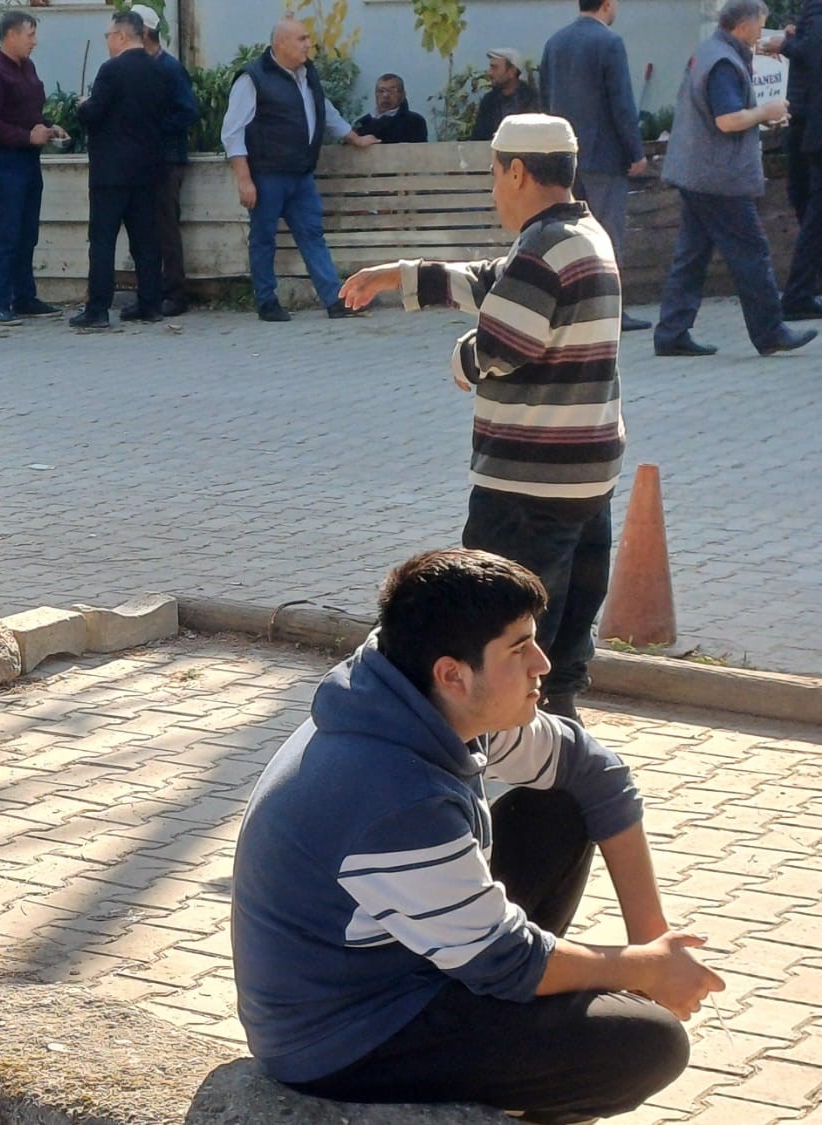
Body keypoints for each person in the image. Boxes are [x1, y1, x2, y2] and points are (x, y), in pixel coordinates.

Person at [232, 547, 721, 1122]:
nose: (543, 663)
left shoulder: (414, 694)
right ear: (453, 674)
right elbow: (506, 959)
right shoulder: (393, 797)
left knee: (560, 803)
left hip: (412, 959)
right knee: (648, 1045)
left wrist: (653, 939)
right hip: (345, 1036)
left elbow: (595, 773)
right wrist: (641, 968)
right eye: (519, 650)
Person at [339, 115, 622, 721]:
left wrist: (463, 359)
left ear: (518, 171)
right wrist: (399, 275)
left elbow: (503, 342)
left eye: (495, 174)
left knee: (497, 631)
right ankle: (560, 753)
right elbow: (495, 279)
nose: (494, 189)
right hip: (583, 480)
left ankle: (505, 763)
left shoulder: (544, 250)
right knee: (562, 643)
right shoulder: (581, 234)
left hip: (528, 485)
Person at [653, 0, 818, 358]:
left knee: (692, 253)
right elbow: (726, 120)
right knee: (752, 252)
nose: (762, 32)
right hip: (718, 176)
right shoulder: (724, 62)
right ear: (743, 24)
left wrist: (759, 117)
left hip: (697, 170)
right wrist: (766, 111)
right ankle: (769, 331)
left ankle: (671, 331)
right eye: (761, 24)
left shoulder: (710, 51)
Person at [222, 16, 380, 323]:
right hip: (267, 174)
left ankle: (336, 300)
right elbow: (232, 132)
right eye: (302, 39)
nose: (309, 44)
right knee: (264, 238)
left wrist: (353, 137)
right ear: (280, 43)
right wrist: (244, 179)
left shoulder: (307, 74)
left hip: (301, 173)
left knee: (312, 234)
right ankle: (267, 302)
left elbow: (325, 110)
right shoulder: (252, 78)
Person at [540, 0, 653, 331]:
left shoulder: (554, 43)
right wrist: (636, 152)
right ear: (607, 4)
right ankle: (611, 313)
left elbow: (545, 99)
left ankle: (571, 312)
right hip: (605, 158)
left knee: (569, 237)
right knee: (607, 236)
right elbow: (621, 102)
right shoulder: (609, 43)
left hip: (565, 160)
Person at [69, 10, 168, 330]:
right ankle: (150, 303)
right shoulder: (158, 70)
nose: (108, 41)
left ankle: (98, 309)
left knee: (102, 241)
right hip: (147, 170)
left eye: (109, 36)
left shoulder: (111, 70)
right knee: (146, 240)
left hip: (111, 173)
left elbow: (95, 114)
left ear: (122, 36)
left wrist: (83, 105)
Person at [0, 10, 68, 326]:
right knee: (8, 231)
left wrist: (47, 126)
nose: (35, 42)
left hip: (29, 160)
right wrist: (26, 136)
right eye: (30, 34)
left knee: (27, 231)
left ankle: (24, 297)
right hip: (6, 160)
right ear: (11, 35)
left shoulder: (27, 67)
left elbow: (28, 111)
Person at [131, 3, 201, 316]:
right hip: (147, 158)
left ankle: (175, 292)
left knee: (165, 226)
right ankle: (152, 291)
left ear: (144, 33)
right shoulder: (145, 66)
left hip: (167, 160)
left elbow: (188, 112)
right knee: (147, 227)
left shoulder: (169, 68)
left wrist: (152, 129)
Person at [778, 0, 822, 319]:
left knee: (812, 214)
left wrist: (787, 42)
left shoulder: (812, 18)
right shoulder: (815, 17)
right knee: (814, 216)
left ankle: (800, 293)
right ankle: (798, 295)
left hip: (807, 128)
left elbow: (808, 54)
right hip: (809, 129)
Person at [470, 49, 540, 142]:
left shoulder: (532, 99)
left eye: (494, 67)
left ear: (512, 71)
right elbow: (478, 139)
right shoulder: (489, 101)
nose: (489, 73)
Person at [353, 74, 429, 144]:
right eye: (381, 91)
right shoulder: (363, 123)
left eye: (391, 91)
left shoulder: (414, 121)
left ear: (403, 95)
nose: (385, 95)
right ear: (375, 94)